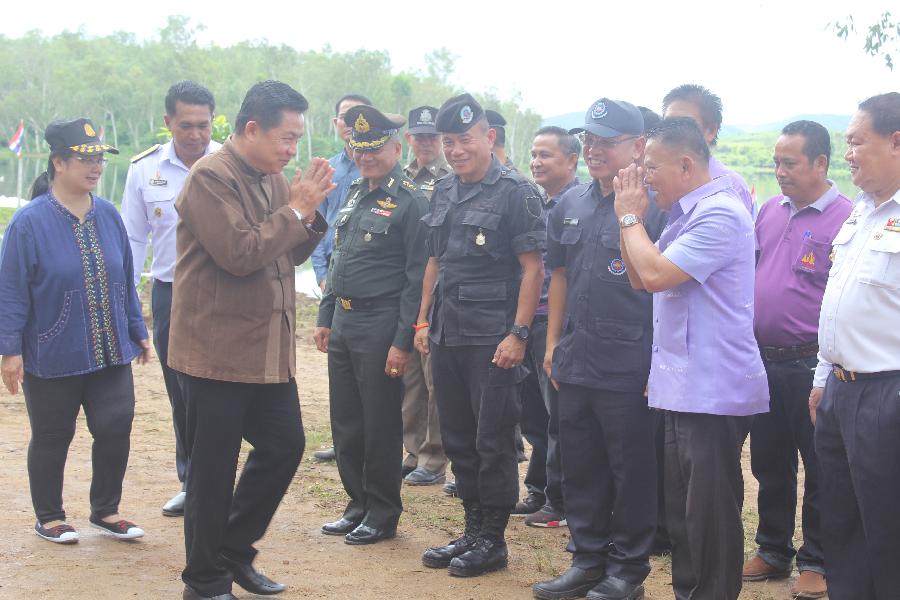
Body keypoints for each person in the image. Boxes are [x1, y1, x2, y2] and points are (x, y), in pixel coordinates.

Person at [168, 80, 334, 600]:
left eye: (297, 140)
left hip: (267, 349)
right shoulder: (210, 177)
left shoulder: (272, 178)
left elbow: (289, 252)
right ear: (253, 129)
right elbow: (240, 253)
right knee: (213, 470)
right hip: (216, 351)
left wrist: (309, 213)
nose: (292, 150)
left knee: (285, 446)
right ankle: (204, 580)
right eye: (287, 138)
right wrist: (296, 211)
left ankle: (233, 550)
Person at [616, 117, 769, 600]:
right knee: (683, 514)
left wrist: (629, 218)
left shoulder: (720, 213)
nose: (645, 178)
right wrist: (628, 220)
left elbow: (656, 274)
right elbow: (638, 277)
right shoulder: (685, 214)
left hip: (712, 389)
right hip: (681, 386)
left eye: (652, 167)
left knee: (710, 515)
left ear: (686, 164)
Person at [533, 101, 665, 600]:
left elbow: (666, 292)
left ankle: (627, 570)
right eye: (589, 140)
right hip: (576, 356)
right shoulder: (572, 202)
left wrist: (659, 361)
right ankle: (587, 560)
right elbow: (559, 275)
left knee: (630, 470)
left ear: (638, 146)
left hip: (630, 361)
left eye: (606, 141)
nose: (594, 149)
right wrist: (552, 344)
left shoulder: (657, 205)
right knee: (580, 464)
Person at [0, 118, 150, 545]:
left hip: (111, 347)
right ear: (58, 163)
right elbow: (11, 291)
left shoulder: (109, 216)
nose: (96, 167)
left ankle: (106, 510)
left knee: (116, 424)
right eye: (86, 159)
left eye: (99, 158)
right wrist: (10, 349)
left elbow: (125, 278)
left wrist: (136, 328)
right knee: (53, 434)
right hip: (53, 348)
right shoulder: (28, 222)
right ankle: (50, 516)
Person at [416, 93, 545, 578]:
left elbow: (533, 269)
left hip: (492, 339)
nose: (456, 150)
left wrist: (519, 334)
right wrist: (423, 320)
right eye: (449, 141)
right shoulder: (443, 189)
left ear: (489, 137)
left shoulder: (516, 191)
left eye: (465, 139)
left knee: (492, 439)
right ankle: (471, 530)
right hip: (447, 333)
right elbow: (435, 261)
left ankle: (493, 539)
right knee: (458, 437)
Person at [744, 120, 851, 599]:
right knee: (769, 461)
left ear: (820, 162)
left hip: (813, 363)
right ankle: (773, 549)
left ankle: (817, 560)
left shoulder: (847, 218)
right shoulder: (770, 209)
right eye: (776, 163)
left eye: (790, 163)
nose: (780, 171)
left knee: (821, 466)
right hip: (764, 360)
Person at [314, 105, 429, 544]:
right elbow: (339, 258)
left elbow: (416, 278)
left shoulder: (411, 201)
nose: (366, 156)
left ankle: (382, 512)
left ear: (396, 149)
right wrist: (326, 316)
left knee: (379, 423)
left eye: (375, 148)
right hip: (344, 321)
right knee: (346, 421)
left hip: (382, 324)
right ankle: (357, 503)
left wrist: (402, 340)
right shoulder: (353, 192)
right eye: (359, 149)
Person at [809, 92, 900, 600]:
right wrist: (824, 379)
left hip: (889, 393)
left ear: (896, 141)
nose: (847, 154)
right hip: (842, 392)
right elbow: (837, 301)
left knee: (889, 529)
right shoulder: (861, 213)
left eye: (855, 142)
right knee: (842, 526)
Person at [121, 80, 220, 518]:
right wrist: (129, 306)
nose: (196, 135)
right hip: (171, 295)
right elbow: (132, 241)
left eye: (203, 125)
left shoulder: (231, 163)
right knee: (180, 391)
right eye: (186, 126)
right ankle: (191, 481)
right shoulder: (145, 170)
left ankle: (216, 479)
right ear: (168, 123)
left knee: (220, 391)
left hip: (223, 296)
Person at [513, 126, 580, 529]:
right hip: (529, 321)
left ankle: (560, 501)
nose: (536, 162)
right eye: (534, 155)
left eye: (546, 155)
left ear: (571, 160)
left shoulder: (580, 204)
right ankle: (538, 489)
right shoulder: (536, 203)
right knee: (533, 415)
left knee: (558, 417)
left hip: (560, 324)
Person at [309, 93, 372, 463]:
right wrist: (322, 276)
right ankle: (344, 439)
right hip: (334, 279)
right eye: (345, 117)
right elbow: (316, 227)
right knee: (339, 365)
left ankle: (374, 441)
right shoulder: (328, 172)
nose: (351, 125)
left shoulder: (380, 166)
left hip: (371, 283)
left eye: (357, 117)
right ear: (336, 124)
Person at [400, 105, 450, 486]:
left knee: (435, 381)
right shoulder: (401, 178)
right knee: (411, 378)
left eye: (433, 136)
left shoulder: (451, 179)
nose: (427, 143)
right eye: (420, 136)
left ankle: (434, 458)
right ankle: (413, 450)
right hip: (407, 285)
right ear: (409, 139)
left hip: (438, 284)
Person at [662, 84, 755, 214]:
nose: (673, 132)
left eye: (684, 124)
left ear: (711, 131)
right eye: (668, 124)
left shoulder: (733, 186)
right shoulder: (656, 179)